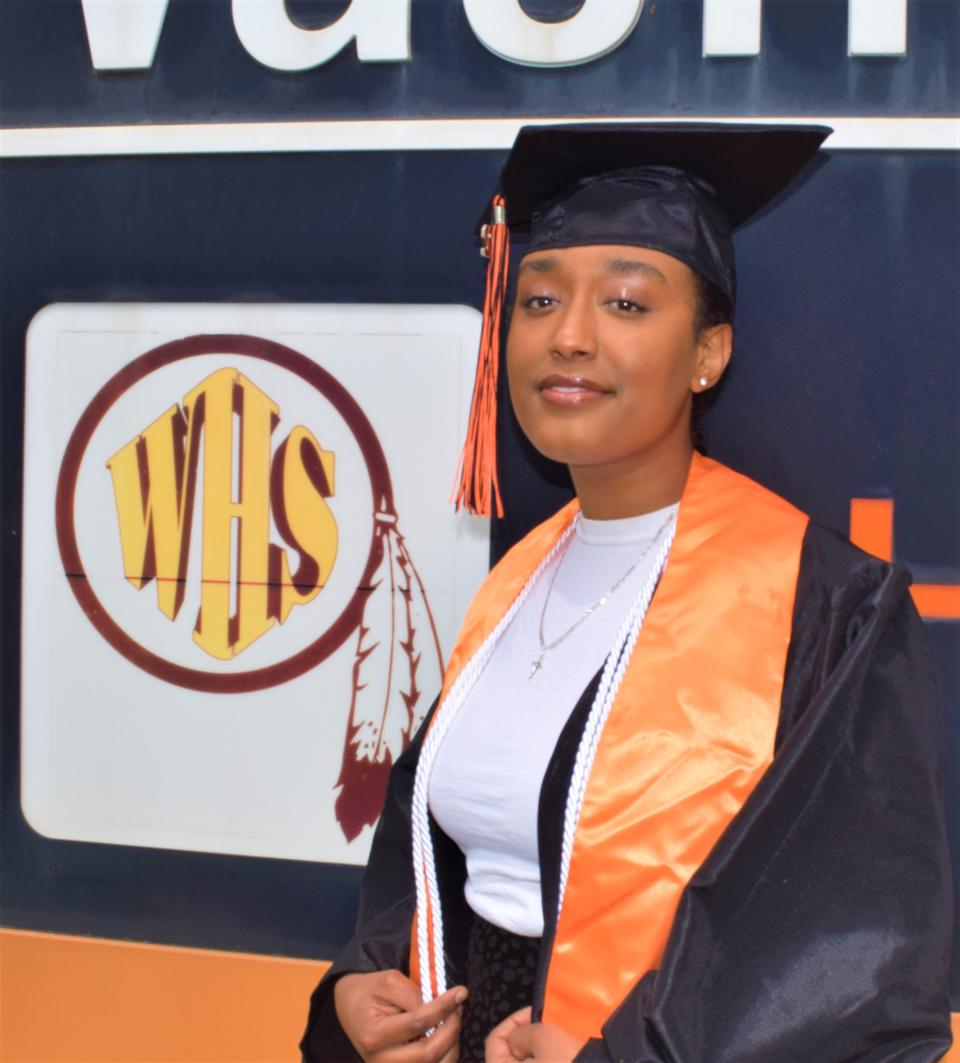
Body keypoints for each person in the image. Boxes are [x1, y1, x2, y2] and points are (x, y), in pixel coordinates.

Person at [300, 123, 953, 1062]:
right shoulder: (516, 582)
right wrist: (365, 984)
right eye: (537, 299)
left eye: (625, 303)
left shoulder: (824, 605)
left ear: (709, 353)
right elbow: (435, 855)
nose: (569, 335)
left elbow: (847, 953)